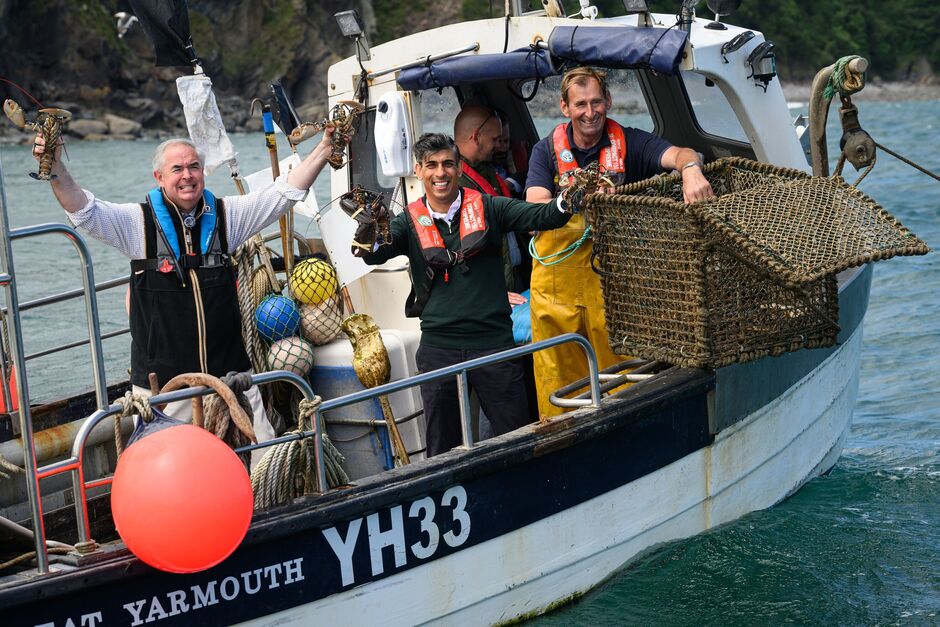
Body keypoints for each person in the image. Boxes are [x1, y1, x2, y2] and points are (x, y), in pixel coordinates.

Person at [33, 127, 341, 443]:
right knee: (176, 478)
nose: (187, 175)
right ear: (159, 177)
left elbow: (282, 194)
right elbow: (85, 210)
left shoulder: (227, 217)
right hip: (166, 388)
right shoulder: (137, 225)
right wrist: (55, 167)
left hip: (232, 379)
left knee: (265, 451)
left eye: (194, 166)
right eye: (177, 169)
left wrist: (324, 149)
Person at [359, 132, 577, 457]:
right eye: (431, 165)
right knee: (441, 450)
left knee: (517, 442)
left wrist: (569, 199)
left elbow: (541, 216)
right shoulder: (406, 222)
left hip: (493, 347)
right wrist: (368, 225)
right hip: (438, 350)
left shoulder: (490, 207)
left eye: (447, 163)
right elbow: (372, 254)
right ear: (418, 171)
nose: (440, 173)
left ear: (459, 167)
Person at [525, 66, 714, 419]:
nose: (590, 111)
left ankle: (630, 425)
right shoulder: (545, 151)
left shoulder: (632, 142)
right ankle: (558, 433)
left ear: (608, 101)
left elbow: (682, 154)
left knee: (625, 375)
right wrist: (572, 198)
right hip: (556, 290)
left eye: (597, 101)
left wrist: (691, 172)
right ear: (565, 108)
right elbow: (536, 205)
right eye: (580, 104)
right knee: (557, 376)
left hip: (615, 287)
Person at [454, 104, 527, 301]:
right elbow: (458, 253)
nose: (499, 145)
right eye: (494, 139)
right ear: (476, 136)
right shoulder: (450, 185)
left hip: (513, 279)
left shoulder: (486, 169)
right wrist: (491, 292)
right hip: (492, 293)